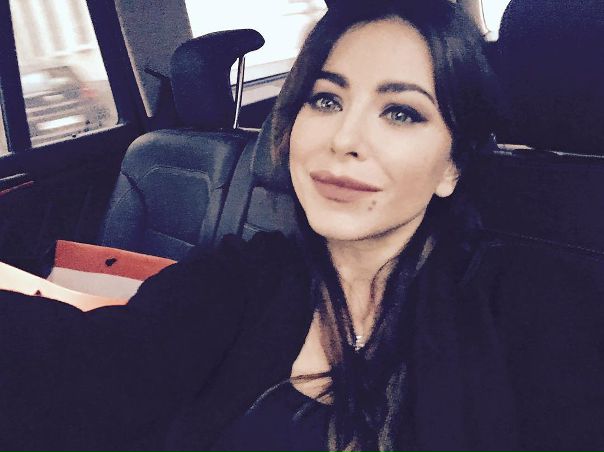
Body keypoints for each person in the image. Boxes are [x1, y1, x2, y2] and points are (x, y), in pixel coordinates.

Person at [1, 1, 603, 451]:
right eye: (326, 100)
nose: (344, 138)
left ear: (452, 166)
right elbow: (88, 370)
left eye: (400, 112)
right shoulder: (240, 280)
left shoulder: (539, 309)